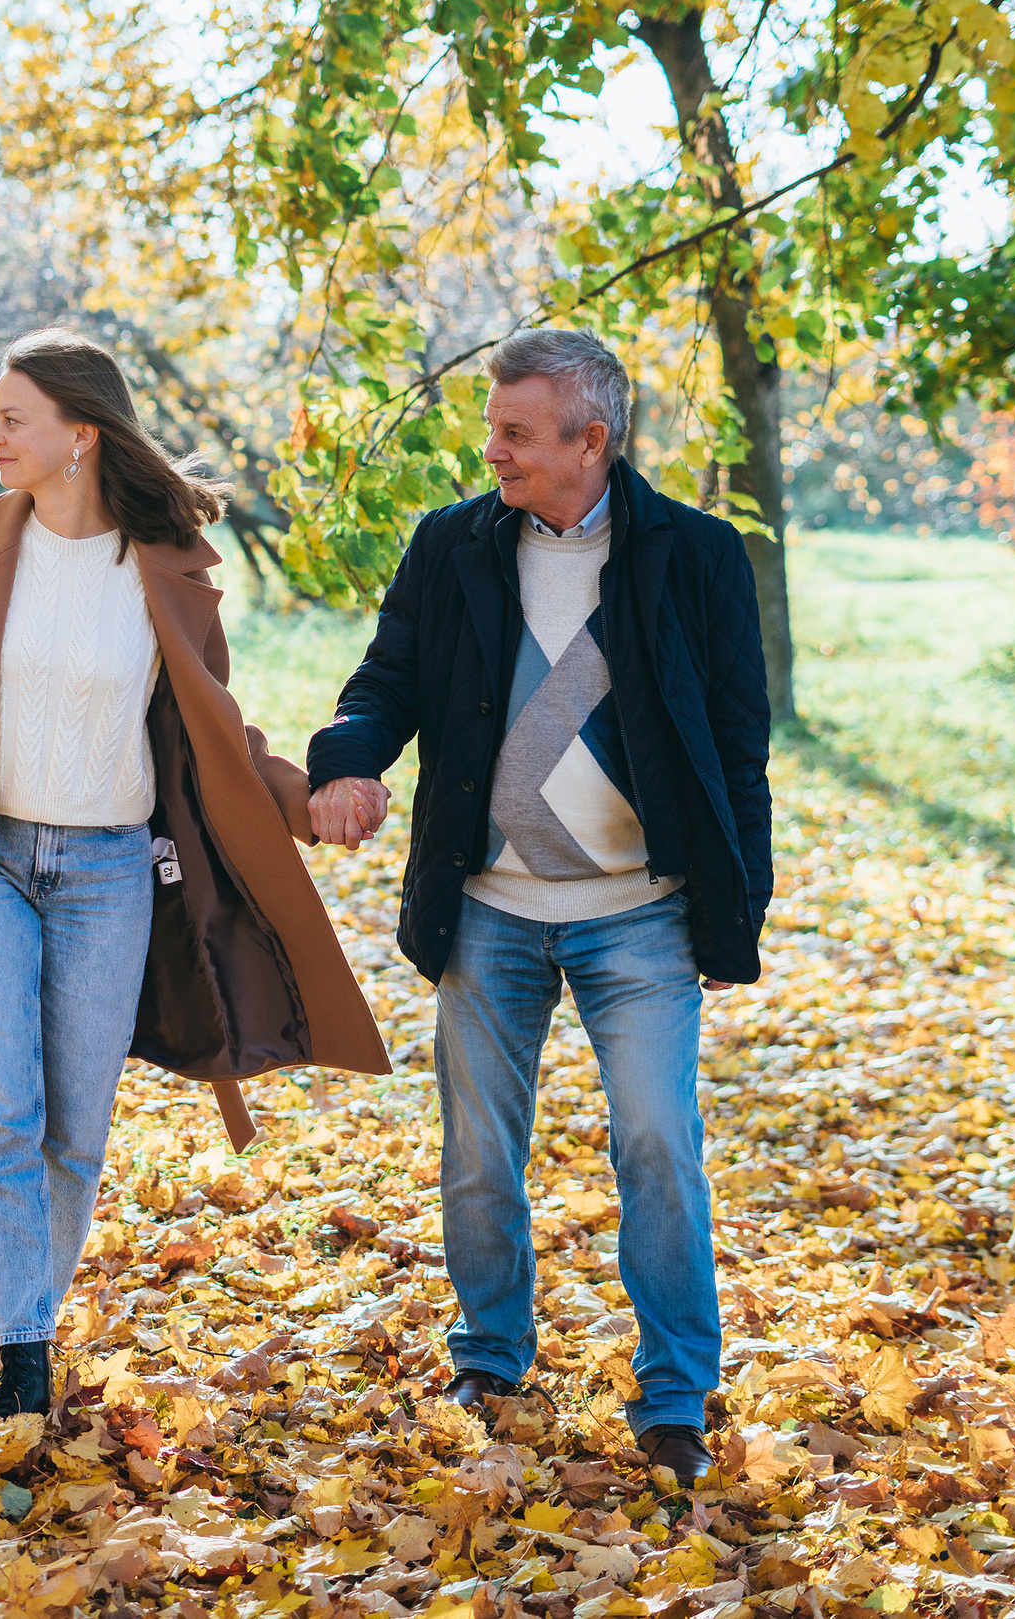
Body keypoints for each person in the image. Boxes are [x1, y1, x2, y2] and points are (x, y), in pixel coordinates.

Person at [0, 328, 388, 1418]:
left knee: (75, 1123)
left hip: (112, 873)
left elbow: (217, 731)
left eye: (11, 418)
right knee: (2, 1112)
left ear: (80, 433)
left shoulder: (165, 571)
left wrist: (307, 801)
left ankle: (26, 1315)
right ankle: (22, 1355)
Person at [304, 328, 772, 1486]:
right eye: (493, 427)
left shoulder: (695, 556)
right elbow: (387, 683)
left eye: (515, 432)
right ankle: (490, 1353)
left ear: (589, 440)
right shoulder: (454, 544)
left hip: (641, 913)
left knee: (659, 1143)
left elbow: (737, 746)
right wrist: (344, 762)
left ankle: (675, 1393)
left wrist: (732, 915)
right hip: (491, 908)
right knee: (478, 1153)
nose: (493, 450)